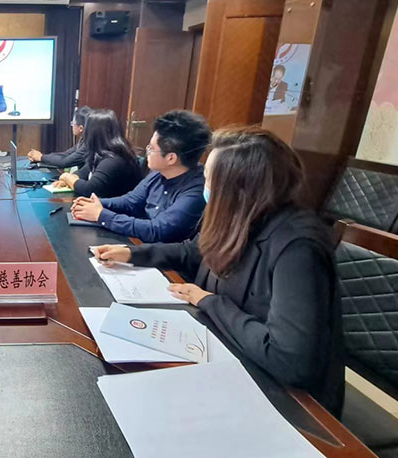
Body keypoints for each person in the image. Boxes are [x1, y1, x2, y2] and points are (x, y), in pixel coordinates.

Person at [93, 126, 343, 416]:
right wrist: (132, 253)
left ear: (238, 188)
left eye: (210, 179)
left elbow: (289, 359)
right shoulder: (240, 214)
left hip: (286, 400)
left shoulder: (298, 246)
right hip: (221, 348)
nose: (204, 185)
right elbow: (194, 251)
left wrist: (209, 301)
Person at [70, 110, 211, 243]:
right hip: (142, 245)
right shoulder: (159, 173)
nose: (147, 151)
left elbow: (158, 230)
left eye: (151, 148)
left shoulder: (195, 191)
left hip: (162, 255)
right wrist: (95, 204)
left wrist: (101, 215)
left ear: (171, 158)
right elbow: (131, 202)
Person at [53, 109, 143, 198]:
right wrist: (70, 179)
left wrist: (67, 177)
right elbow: (84, 171)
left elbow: (90, 190)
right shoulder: (102, 153)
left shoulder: (113, 159)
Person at [27, 106, 92, 169]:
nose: (72, 126)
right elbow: (65, 155)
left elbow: (65, 162)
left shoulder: (88, 144)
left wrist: (41, 157)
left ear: (81, 128)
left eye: (73, 123)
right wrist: (41, 156)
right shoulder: (84, 139)